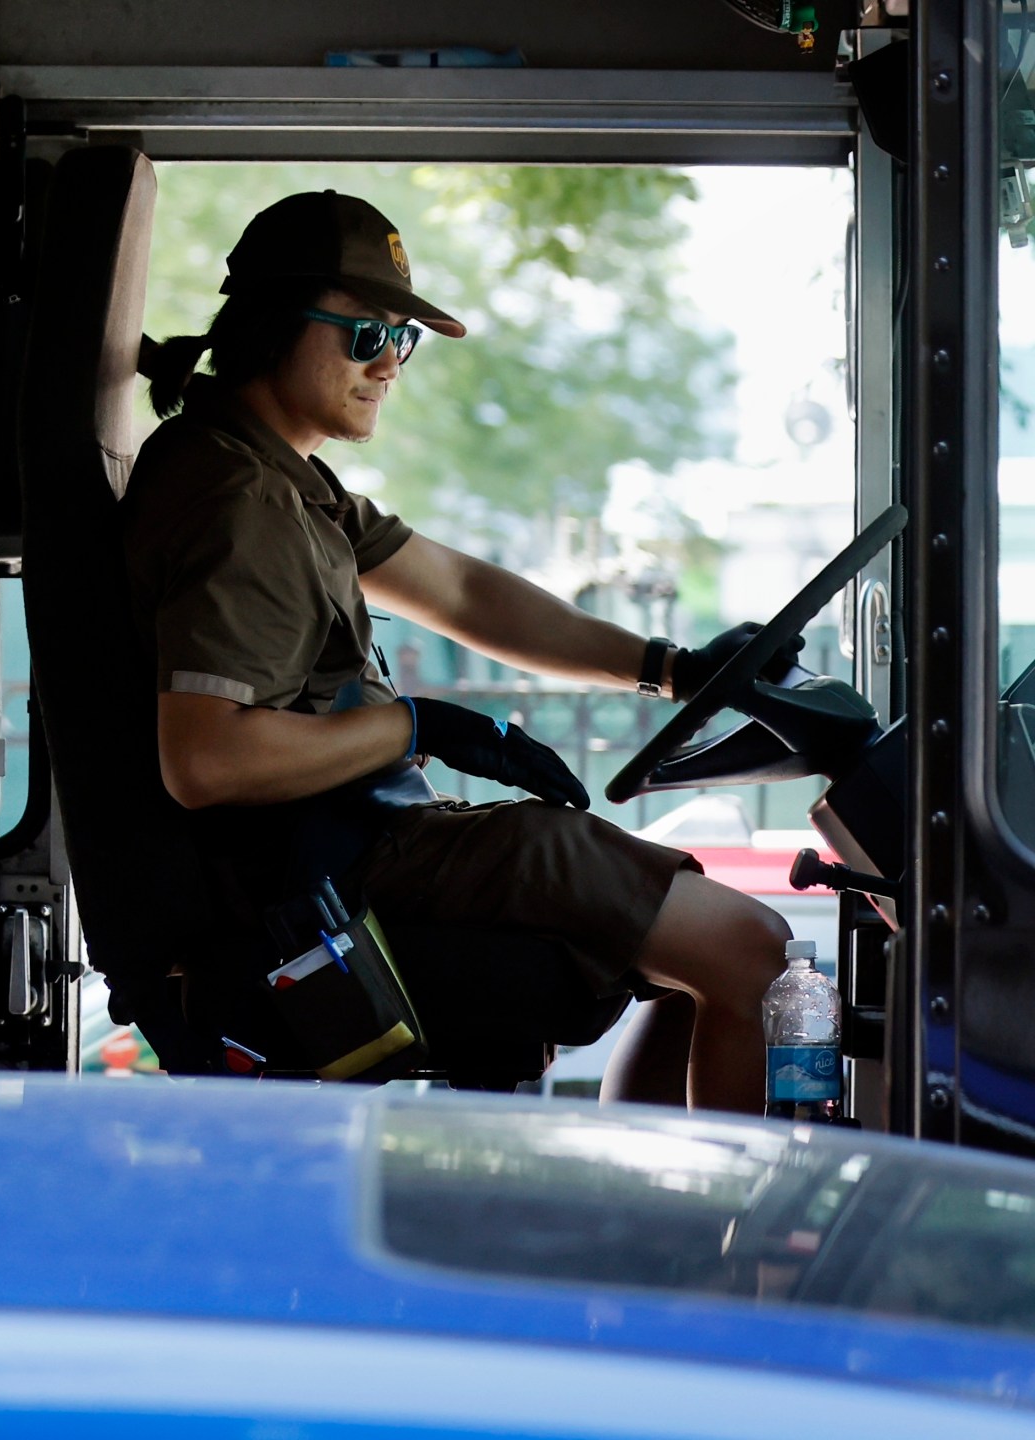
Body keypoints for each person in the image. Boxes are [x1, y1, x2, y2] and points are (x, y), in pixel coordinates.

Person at [124, 190, 791, 1113]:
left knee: (695, 963)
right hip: (342, 873)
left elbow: (466, 593)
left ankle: (652, 1220)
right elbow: (207, 760)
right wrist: (417, 724)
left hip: (369, 843)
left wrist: (670, 666)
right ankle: (736, 1260)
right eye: (366, 335)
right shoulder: (240, 504)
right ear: (277, 324)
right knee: (753, 954)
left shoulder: (278, 476)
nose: (391, 363)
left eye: (404, 339)